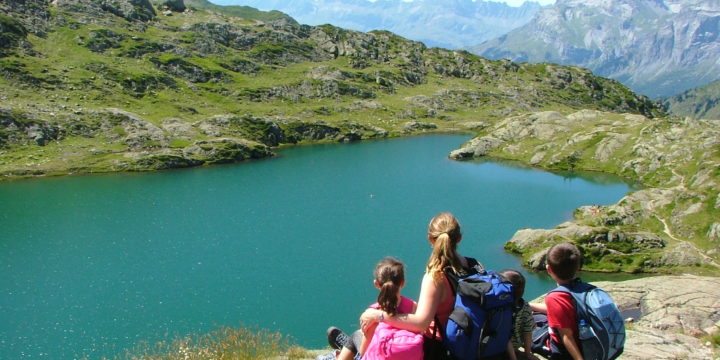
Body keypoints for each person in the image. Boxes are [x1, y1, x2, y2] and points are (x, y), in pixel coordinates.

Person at [360, 212, 482, 358]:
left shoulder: (436, 277)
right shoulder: (475, 265)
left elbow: (420, 324)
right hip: (473, 342)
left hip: (443, 349)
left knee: (364, 333)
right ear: (459, 238)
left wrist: (378, 315)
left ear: (430, 239)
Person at [319, 257, 418, 360]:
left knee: (355, 336)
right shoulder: (413, 307)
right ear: (403, 283)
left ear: (376, 284)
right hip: (408, 355)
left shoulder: (372, 313)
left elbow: (363, 351)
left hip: (381, 356)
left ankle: (337, 355)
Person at [532, 242, 584, 360]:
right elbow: (560, 311)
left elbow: (567, 336)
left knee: (528, 329)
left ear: (548, 269)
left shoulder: (555, 298)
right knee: (536, 315)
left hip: (562, 350)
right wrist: (530, 306)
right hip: (585, 338)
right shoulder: (585, 289)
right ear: (577, 267)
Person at [499, 269, 539, 360]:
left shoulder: (501, 309)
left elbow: (505, 336)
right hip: (516, 345)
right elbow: (528, 331)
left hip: (500, 347)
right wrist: (528, 353)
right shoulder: (525, 306)